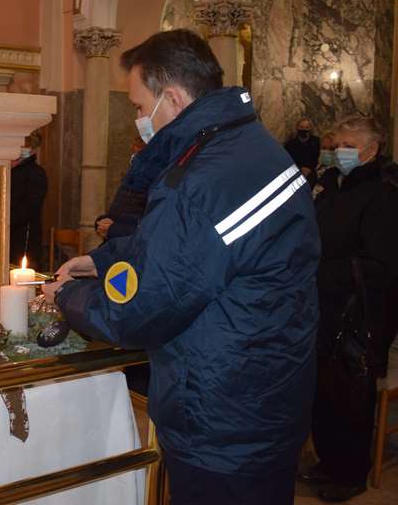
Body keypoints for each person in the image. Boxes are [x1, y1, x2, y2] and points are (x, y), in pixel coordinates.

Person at [42, 29, 320, 505]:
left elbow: (141, 310)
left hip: (221, 412)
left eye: (136, 105)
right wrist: (104, 259)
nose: (136, 120)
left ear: (170, 97)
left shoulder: (201, 178)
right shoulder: (252, 147)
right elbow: (198, 252)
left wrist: (66, 296)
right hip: (267, 391)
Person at [300, 116, 398, 502]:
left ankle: (350, 473)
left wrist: (317, 272)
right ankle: (328, 461)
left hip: (361, 315)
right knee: (324, 393)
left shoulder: (387, 194)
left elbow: (381, 266)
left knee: (352, 397)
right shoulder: (336, 184)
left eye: (346, 145)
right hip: (325, 310)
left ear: (371, 149)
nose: (338, 151)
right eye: (335, 143)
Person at [94, 136, 150, 242]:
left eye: (136, 155)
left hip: (129, 248)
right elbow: (117, 212)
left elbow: (145, 228)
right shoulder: (128, 184)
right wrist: (101, 221)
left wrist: (112, 228)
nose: (133, 159)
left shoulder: (152, 186)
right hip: (113, 245)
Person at [9, 132, 47, 268]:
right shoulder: (8, 169)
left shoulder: (35, 173)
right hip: (7, 236)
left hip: (24, 240)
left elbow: (29, 209)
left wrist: (4, 219)